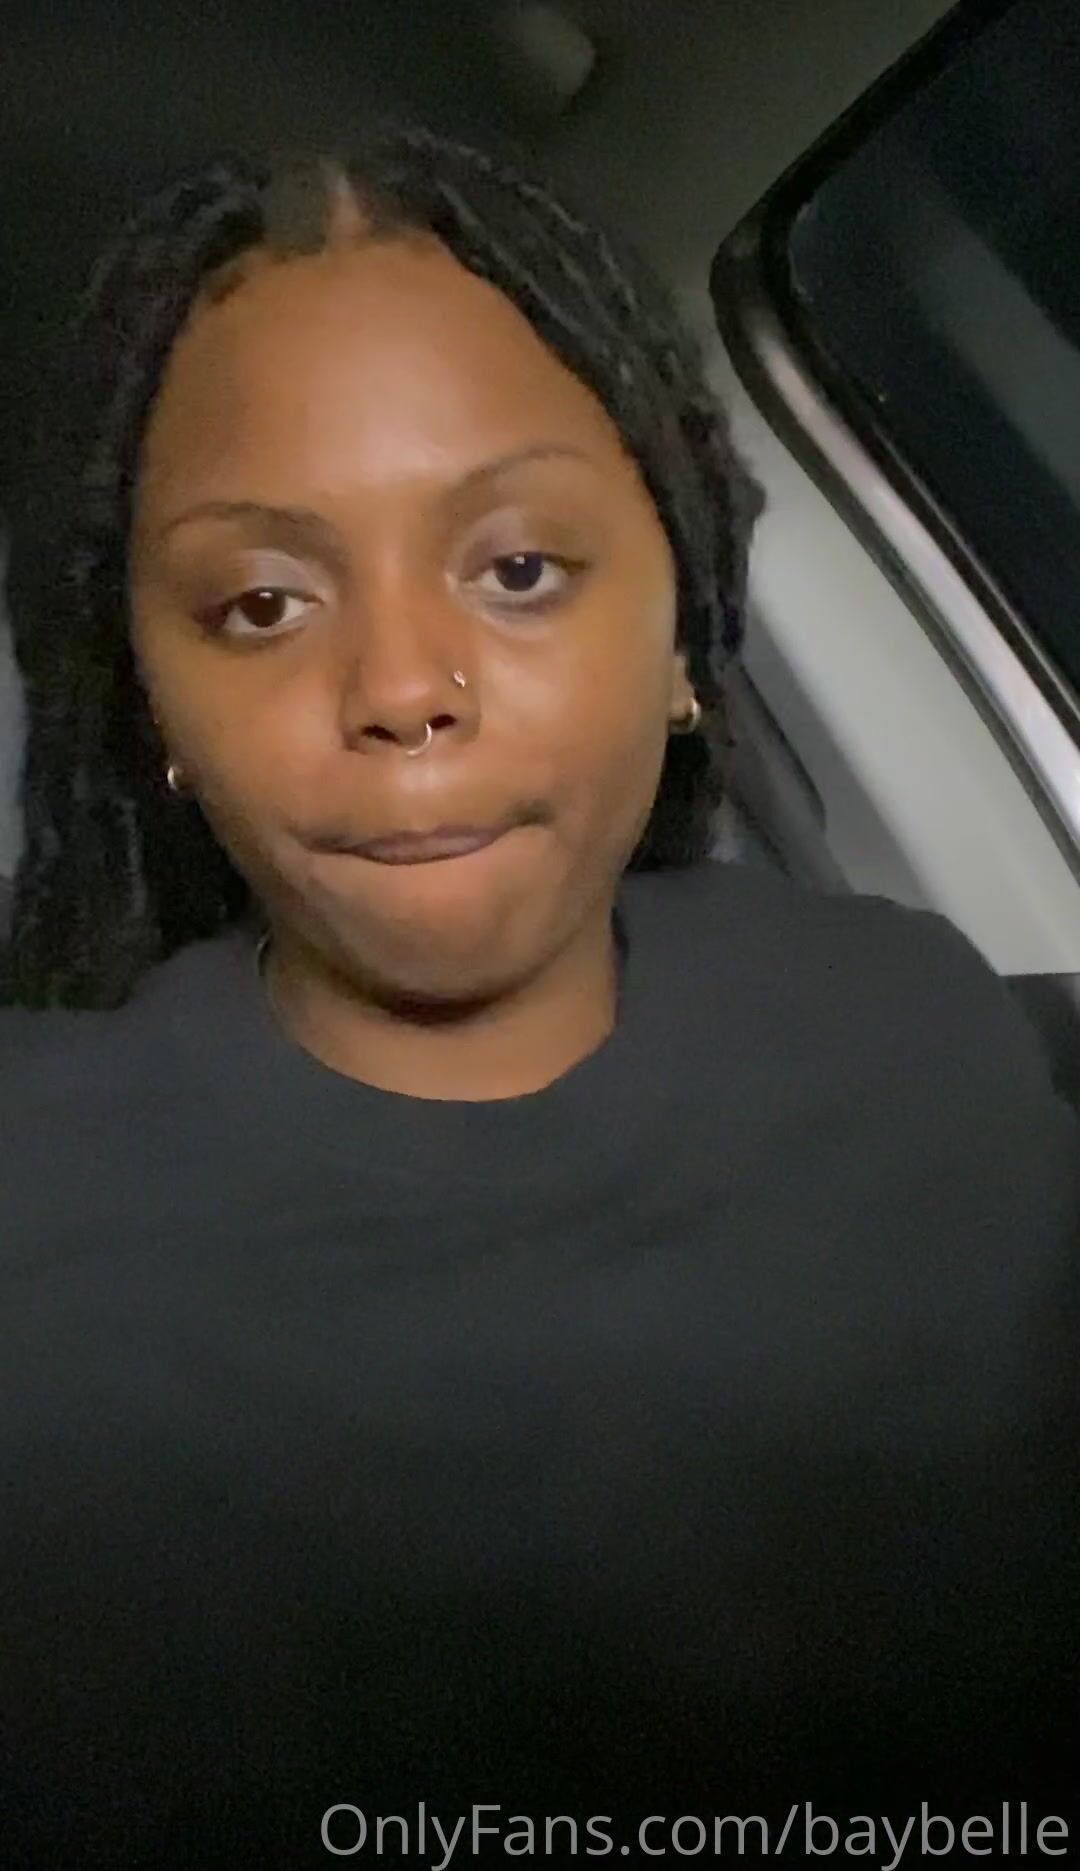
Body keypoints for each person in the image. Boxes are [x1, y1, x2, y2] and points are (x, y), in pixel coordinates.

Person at [1, 125, 1076, 1866]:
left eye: (517, 570)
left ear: (680, 634)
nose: (404, 685)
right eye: (261, 602)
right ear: (157, 713)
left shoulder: (922, 1022)